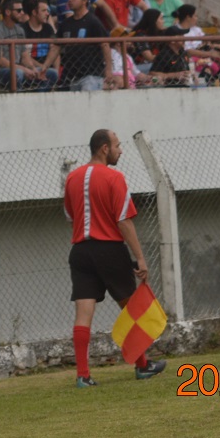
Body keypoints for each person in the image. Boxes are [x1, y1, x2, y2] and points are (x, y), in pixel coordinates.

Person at [65, 129, 165, 387]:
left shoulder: (72, 178)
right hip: (108, 248)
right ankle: (143, 366)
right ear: (104, 148)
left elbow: (70, 215)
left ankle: (83, 375)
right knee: (131, 310)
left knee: (83, 314)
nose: (121, 150)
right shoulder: (114, 177)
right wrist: (140, 258)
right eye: (118, 146)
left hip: (80, 251)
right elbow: (124, 221)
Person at [55, 0, 112, 91]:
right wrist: (45, 67)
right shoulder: (66, 23)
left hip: (91, 75)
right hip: (70, 75)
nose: (70, 0)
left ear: (85, 0)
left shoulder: (93, 21)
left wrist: (108, 70)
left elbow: (105, 45)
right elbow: (56, 47)